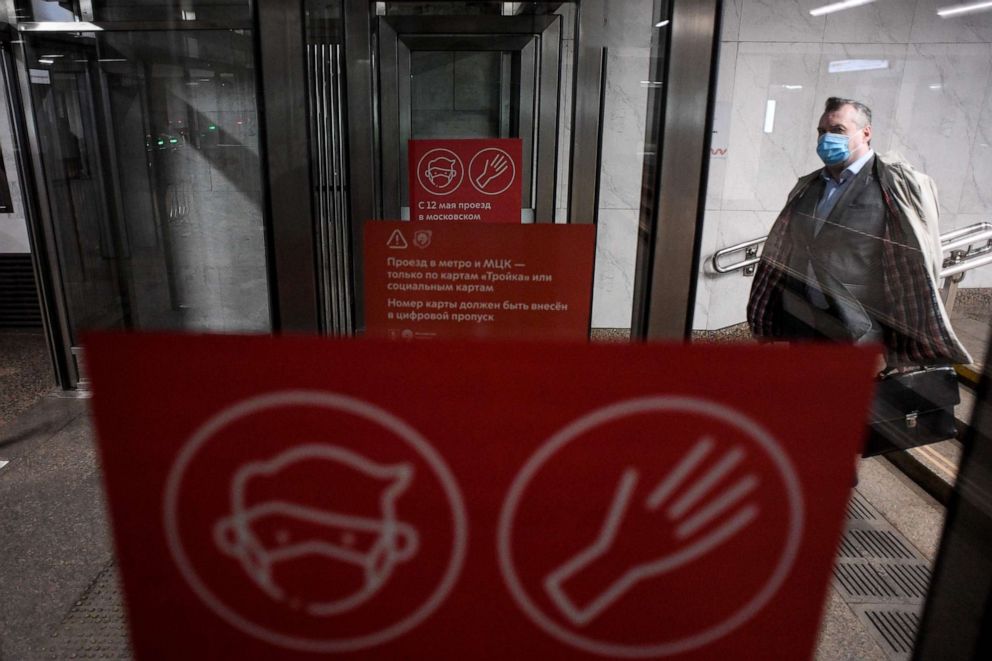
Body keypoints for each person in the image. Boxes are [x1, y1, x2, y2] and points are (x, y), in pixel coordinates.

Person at [747, 97, 970, 370]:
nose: (826, 138)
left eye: (838, 130)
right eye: (821, 131)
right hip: (803, 321)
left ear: (866, 133)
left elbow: (913, 268)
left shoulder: (894, 187)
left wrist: (895, 346)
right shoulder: (810, 186)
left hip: (858, 329)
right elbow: (784, 250)